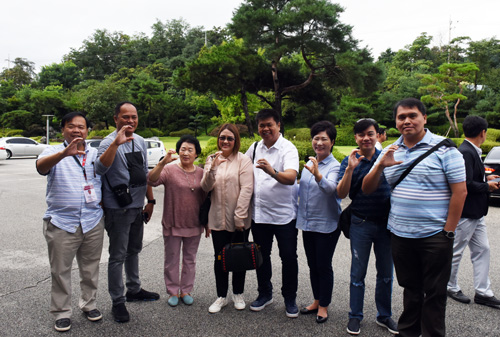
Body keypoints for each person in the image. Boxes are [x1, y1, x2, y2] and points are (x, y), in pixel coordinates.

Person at [362, 98, 467, 337]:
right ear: (396, 122)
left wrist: (449, 231)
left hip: (435, 235)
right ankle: (409, 333)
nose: (407, 121)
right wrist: (379, 166)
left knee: (435, 294)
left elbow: (460, 192)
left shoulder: (445, 148)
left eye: (412, 115)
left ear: (424, 118)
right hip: (400, 234)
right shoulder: (390, 150)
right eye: (401, 117)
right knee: (410, 290)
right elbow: (367, 188)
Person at [36, 112, 104, 332]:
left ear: (87, 130)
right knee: (60, 270)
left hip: (93, 220)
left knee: (90, 268)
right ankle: (62, 312)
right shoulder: (52, 151)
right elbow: (41, 167)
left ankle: (89, 303)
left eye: (82, 127)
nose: (77, 130)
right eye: (72, 126)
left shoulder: (95, 153)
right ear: (63, 129)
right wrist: (64, 153)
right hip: (62, 222)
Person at [95, 102, 159, 323]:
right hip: (117, 208)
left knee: (134, 250)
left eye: (134, 117)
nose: (130, 121)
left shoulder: (140, 141)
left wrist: (150, 200)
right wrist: (115, 144)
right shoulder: (106, 143)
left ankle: (134, 289)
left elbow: (144, 173)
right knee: (117, 255)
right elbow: (99, 169)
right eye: (125, 117)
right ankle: (118, 301)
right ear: (115, 119)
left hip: (136, 206)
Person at [336, 118, 397, 335]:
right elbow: (341, 194)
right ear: (355, 138)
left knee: (386, 273)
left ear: (377, 135)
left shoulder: (388, 158)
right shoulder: (349, 161)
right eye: (361, 135)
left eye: (370, 133)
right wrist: (350, 170)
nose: (366, 138)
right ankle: (355, 316)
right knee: (357, 273)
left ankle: (384, 315)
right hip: (360, 222)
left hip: (386, 224)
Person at [245, 109, 300, 318]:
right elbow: (242, 166)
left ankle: (289, 297)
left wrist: (271, 171)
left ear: (278, 125)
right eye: (261, 125)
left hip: (284, 216)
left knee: (288, 257)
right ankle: (265, 294)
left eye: (269, 124)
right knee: (261, 257)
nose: (265, 129)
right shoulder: (256, 146)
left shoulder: (288, 148)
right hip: (259, 215)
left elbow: (291, 177)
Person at [447, 115, 500, 308]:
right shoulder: (466, 152)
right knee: (455, 251)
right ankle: (450, 285)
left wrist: (486, 179)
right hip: (466, 211)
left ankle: (483, 291)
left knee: (483, 249)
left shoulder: (471, 151)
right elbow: (465, 184)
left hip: (477, 212)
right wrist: (488, 187)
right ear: (483, 133)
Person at [148, 135, 207, 307]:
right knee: (171, 259)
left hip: (194, 223)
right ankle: (173, 291)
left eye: (190, 150)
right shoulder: (169, 170)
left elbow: (205, 200)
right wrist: (162, 162)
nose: (186, 153)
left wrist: (207, 223)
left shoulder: (202, 173)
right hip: (173, 222)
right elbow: (151, 180)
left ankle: (186, 290)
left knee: (190, 259)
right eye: (183, 149)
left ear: (197, 154)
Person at [200, 124, 254, 313]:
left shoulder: (243, 160)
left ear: (236, 140)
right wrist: (212, 169)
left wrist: (239, 216)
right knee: (220, 258)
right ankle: (221, 296)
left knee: (239, 257)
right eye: (222, 137)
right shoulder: (211, 158)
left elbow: (247, 189)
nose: (225, 141)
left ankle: (238, 293)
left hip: (239, 220)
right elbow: (205, 187)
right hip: (217, 219)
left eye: (229, 138)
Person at [296, 121, 342, 324]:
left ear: (332, 142)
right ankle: (316, 300)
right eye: (316, 138)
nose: (319, 142)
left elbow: (331, 188)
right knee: (312, 265)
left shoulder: (335, 166)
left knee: (324, 266)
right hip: (307, 224)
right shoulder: (309, 163)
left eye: (324, 138)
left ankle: (324, 305)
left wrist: (317, 175)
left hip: (327, 224)